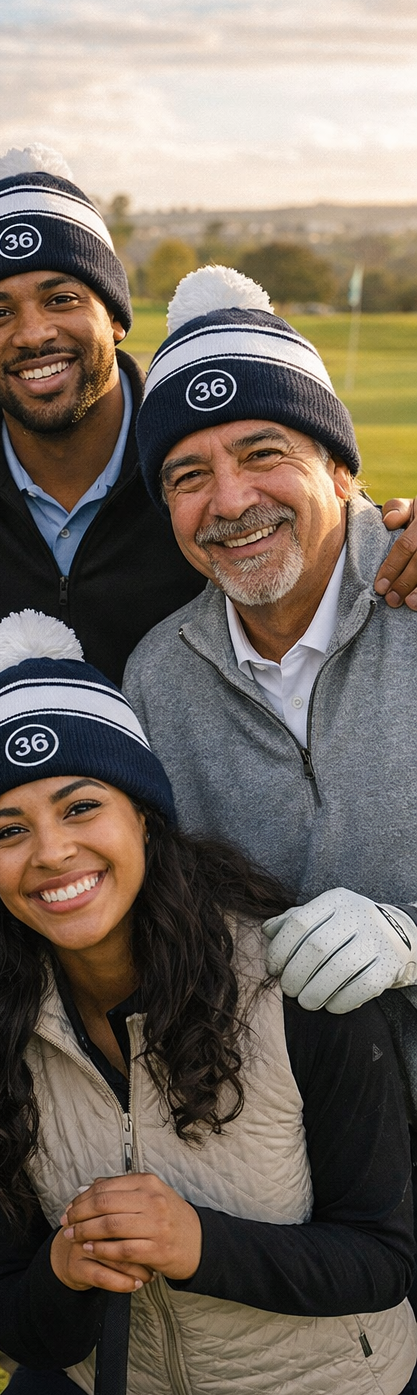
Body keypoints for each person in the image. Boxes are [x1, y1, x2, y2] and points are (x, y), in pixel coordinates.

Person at [0, 609, 417, 1395]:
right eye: (8, 831)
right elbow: (8, 1311)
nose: (51, 852)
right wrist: (66, 1269)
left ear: (143, 816)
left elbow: (382, 1258)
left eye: (81, 807)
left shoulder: (288, 983)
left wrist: (198, 1245)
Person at [0, 146, 417, 682]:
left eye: (62, 299)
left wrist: (400, 534)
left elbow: (325, 513)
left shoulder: (196, 445)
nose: (33, 333)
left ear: (115, 318)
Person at [122, 267, 417, 1071]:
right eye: (187, 476)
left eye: (263, 452)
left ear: (339, 469)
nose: (229, 500)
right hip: (311, 1156)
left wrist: (409, 940)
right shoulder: (155, 682)